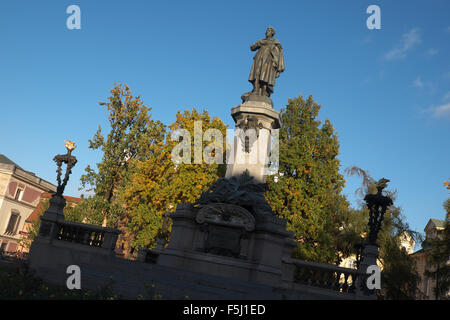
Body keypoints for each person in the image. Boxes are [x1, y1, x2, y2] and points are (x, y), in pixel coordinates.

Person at [248, 26, 285, 97]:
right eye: (267, 31)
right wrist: (257, 43)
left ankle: (264, 92)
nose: (267, 32)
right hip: (259, 58)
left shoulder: (275, 42)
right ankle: (256, 90)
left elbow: (278, 54)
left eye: (269, 31)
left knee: (265, 75)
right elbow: (252, 48)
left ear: (272, 33)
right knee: (256, 73)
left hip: (268, 59)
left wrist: (277, 67)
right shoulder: (262, 41)